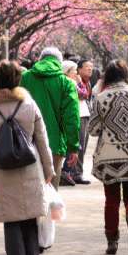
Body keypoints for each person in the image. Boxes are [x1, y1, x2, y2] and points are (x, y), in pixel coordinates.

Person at [0, 60, 54, 255]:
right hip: (30, 166)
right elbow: (42, 140)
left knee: (11, 219)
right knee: (30, 216)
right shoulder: (29, 105)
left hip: (3, 169)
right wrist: (49, 169)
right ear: (18, 80)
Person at [88, 59, 128, 255]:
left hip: (109, 158)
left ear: (106, 76)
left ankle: (112, 241)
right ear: (126, 74)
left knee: (112, 201)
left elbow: (93, 130)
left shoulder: (100, 98)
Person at [21, 47, 80, 190]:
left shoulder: (24, 78)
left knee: (29, 191)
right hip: (54, 144)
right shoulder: (65, 83)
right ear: (60, 64)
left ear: (40, 60)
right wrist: (73, 147)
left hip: (26, 142)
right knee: (51, 192)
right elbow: (71, 117)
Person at [70, 57, 95, 185]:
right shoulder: (75, 81)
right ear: (79, 69)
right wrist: (80, 83)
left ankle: (75, 172)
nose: (90, 69)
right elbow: (82, 95)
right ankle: (76, 174)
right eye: (87, 66)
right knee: (80, 145)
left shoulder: (87, 81)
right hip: (79, 115)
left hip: (85, 114)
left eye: (91, 66)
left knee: (83, 145)